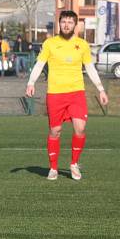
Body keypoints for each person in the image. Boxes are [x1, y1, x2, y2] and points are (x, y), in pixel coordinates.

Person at [25, 10, 109, 181]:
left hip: (76, 93)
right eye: (63, 22)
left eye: (70, 22)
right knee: (55, 131)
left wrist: (100, 89)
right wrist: (31, 82)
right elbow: (40, 64)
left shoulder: (82, 45)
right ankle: (53, 168)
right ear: (59, 23)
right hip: (55, 94)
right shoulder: (50, 43)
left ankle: (74, 164)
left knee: (81, 128)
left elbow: (90, 68)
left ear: (75, 25)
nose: (66, 25)